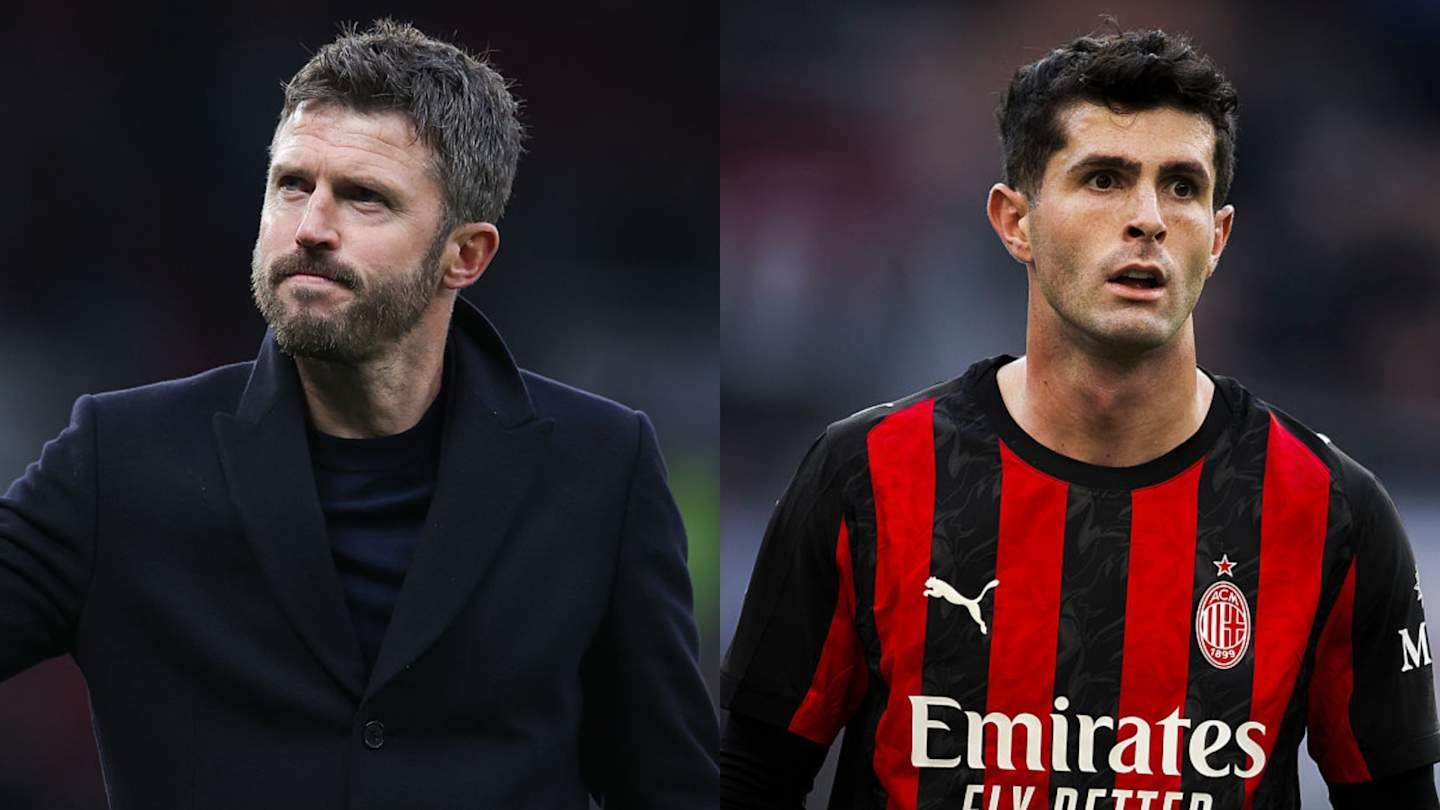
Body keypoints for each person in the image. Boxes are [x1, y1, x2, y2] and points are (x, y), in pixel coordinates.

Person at [0, 19, 716, 809]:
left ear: (465, 255)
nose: (311, 227)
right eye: (291, 185)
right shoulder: (118, 461)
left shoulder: (602, 469)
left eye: (364, 198)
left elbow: (670, 786)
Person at [721, 27, 1439, 810]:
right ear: (1015, 223)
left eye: (1182, 186)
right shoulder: (865, 474)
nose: (1148, 218)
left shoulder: (1332, 510)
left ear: (1218, 237)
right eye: (1104, 179)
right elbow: (752, 776)